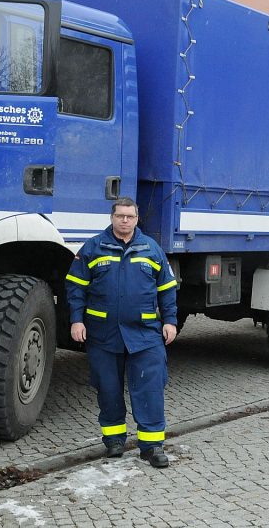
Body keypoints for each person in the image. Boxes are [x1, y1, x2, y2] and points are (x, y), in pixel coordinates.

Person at [66, 197, 178, 468]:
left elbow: (167, 289)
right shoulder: (93, 248)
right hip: (103, 335)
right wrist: (76, 320)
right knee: (108, 389)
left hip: (145, 335)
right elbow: (75, 287)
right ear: (112, 217)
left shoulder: (151, 249)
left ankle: (152, 447)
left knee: (150, 389)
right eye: (120, 216)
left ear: (137, 219)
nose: (124, 220)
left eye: (130, 216)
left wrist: (170, 320)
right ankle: (114, 441)